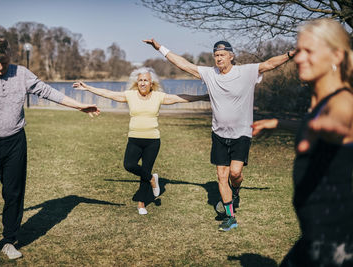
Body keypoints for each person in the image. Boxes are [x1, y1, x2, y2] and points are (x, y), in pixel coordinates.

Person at [0, 38, 100, 262]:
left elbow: (48, 91)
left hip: (15, 143)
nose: (0, 68)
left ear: (10, 57)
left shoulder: (21, 74)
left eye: (4, 62)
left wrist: (80, 105)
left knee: (13, 193)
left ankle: (9, 241)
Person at [144, 38, 295, 231]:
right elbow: (183, 64)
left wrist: (289, 55)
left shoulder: (246, 72)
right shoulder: (209, 74)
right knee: (222, 176)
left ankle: (236, 190)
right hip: (218, 134)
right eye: (216, 55)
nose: (218, 58)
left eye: (222, 55)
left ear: (231, 56)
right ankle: (231, 217)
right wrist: (160, 48)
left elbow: (269, 64)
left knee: (235, 173)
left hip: (241, 134)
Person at [251, 18, 353, 266]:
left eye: (308, 51)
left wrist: (334, 128)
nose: (298, 58)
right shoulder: (320, 101)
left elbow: (343, 116)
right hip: (314, 235)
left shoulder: (341, 102)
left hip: (338, 244)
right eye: (298, 51)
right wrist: (278, 123)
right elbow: (314, 123)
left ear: (336, 56)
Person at [73, 67, 208, 215]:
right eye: (140, 80)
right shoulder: (130, 95)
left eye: (146, 80)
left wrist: (202, 97)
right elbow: (109, 94)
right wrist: (88, 88)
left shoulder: (158, 96)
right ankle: (152, 179)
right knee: (129, 165)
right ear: (137, 82)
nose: (143, 83)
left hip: (152, 141)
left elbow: (179, 97)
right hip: (135, 139)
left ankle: (141, 204)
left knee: (145, 169)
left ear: (151, 83)